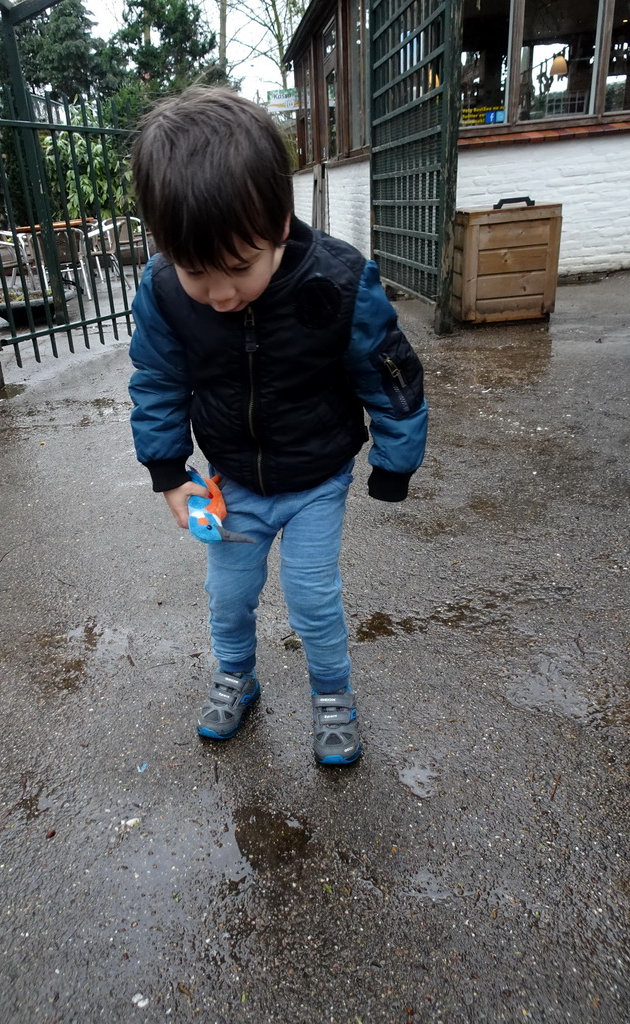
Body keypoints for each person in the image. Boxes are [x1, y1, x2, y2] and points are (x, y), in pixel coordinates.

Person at [128, 86, 427, 766]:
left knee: (311, 598)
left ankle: (333, 696)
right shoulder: (165, 292)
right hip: (231, 479)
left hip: (316, 478)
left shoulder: (338, 282)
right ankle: (237, 673)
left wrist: (395, 460)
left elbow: (388, 372)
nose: (222, 294)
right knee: (227, 593)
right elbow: (158, 378)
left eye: (239, 268)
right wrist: (170, 472)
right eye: (198, 272)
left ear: (281, 223)